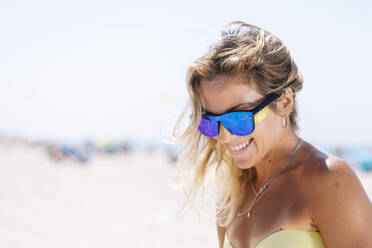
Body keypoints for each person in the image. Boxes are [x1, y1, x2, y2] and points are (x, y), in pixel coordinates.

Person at [174, 21, 372, 248]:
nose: (224, 136)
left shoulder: (329, 180)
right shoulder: (231, 189)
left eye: (239, 119)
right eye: (210, 122)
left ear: (284, 102)